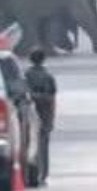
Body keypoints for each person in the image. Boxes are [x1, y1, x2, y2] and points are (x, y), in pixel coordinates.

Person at [25, 49, 57, 186]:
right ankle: (42, 175)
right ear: (43, 59)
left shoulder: (26, 76)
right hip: (45, 113)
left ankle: (30, 173)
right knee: (43, 146)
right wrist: (52, 118)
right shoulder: (48, 76)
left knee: (30, 144)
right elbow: (52, 98)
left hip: (29, 114)